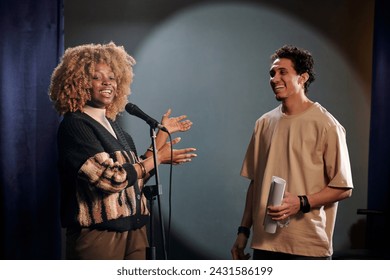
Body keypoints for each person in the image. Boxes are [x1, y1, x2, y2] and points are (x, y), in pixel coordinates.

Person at [48, 42, 197, 260]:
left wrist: (162, 136)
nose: (107, 82)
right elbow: (111, 179)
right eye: (97, 77)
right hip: (99, 235)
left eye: (112, 77)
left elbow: (133, 178)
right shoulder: (76, 125)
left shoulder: (117, 129)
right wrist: (158, 158)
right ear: (79, 82)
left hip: (136, 231)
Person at [231, 45, 353, 260]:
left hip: (307, 248)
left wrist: (301, 202)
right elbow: (255, 183)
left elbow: (343, 188)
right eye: (272, 73)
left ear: (302, 78)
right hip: (264, 245)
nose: (274, 78)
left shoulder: (327, 125)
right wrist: (243, 232)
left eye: (282, 72)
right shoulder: (264, 123)